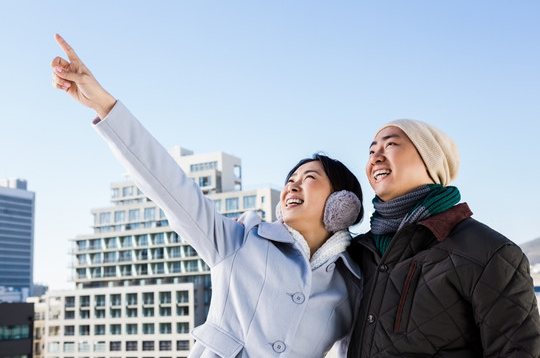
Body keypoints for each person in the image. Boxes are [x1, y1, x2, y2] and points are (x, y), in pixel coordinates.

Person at [51, 34, 365, 358]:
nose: (291, 186)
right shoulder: (241, 241)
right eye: (290, 180)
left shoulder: (351, 285)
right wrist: (103, 104)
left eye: (309, 178)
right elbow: (167, 183)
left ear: (341, 205)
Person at [347, 119, 540, 357]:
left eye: (391, 145)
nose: (376, 157)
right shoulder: (358, 252)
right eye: (372, 150)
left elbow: (519, 351)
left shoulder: (489, 252)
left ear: (430, 161)